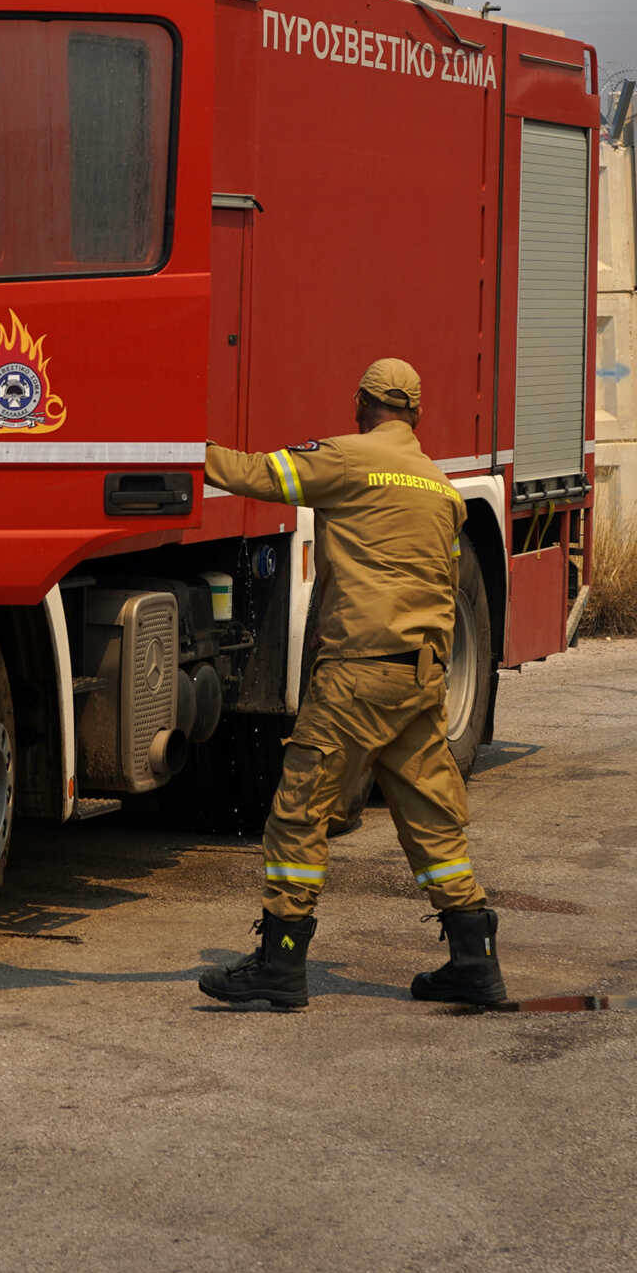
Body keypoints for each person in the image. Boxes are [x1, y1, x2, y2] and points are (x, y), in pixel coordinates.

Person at [195, 359, 507, 1011]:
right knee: (431, 820)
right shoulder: (442, 490)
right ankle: (473, 959)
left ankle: (280, 963)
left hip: (354, 680)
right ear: (416, 416)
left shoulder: (344, 460)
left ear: (360, 404)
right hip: (419, 681)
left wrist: (183, 451)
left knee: (298, 814)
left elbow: (257, 476)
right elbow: (443, 588)